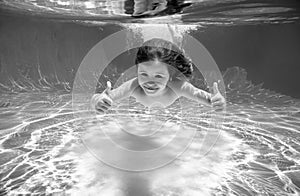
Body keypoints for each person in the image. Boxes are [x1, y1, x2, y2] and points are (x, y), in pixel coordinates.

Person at [91, 38, 226, 112]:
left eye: (159, 76)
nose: (150, 82)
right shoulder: (134, 85)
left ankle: (179, 45)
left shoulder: (178, 86)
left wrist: (217, 101)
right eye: (144, 74)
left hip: (176, 74)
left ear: (169, 77)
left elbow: (203, 97)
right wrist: (98, 100)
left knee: (185, 65)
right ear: (137, 71)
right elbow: (105, 97)